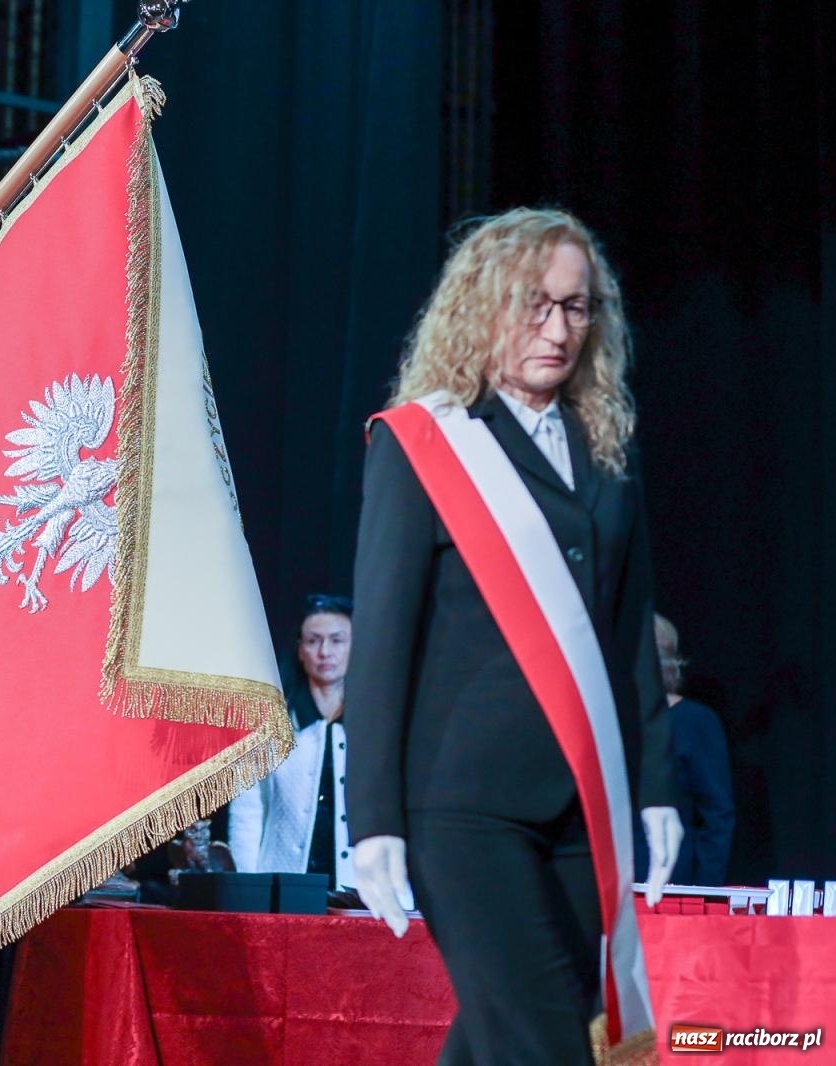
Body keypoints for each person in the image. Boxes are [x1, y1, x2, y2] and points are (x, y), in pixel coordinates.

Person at [345, 209, 682, 1064]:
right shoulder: (427, 443)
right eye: (534, 305)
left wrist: (654, 787)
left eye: (576, 308)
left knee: (536, 1033)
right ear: (484, 308)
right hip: (462, 808)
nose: (558, 329)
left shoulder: (607, 453)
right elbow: (381, 641)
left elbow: (627, 640)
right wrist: (372, 817)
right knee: (543, 1045)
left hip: (582, 805)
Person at [229, 595, 355, 888]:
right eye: (313, 641)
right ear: (300, 649)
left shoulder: (379, 721)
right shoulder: (270, 722)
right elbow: (248, 809)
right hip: (284, 882)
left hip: (363, 891)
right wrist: (247, 885)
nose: (325, 652)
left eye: (337, 640)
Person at [646, 613, 733, 884]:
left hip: (673, 887)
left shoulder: (696, 721)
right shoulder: (608, 721)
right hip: (611, 892)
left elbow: (717, 816)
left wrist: (704, 894)